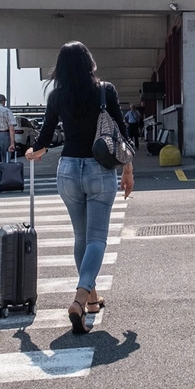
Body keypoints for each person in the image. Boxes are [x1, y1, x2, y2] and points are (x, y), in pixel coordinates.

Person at [25, 41, 134, 335]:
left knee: (81, 237)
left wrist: (33, 151)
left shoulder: (58, 95)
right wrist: (128, 169)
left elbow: (46, 135)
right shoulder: (104, 90)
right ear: (90, 63)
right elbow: (121, 131)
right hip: (100, 169)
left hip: (68, 170)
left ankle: (93, 299)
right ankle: (79, 299)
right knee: (97, 238)